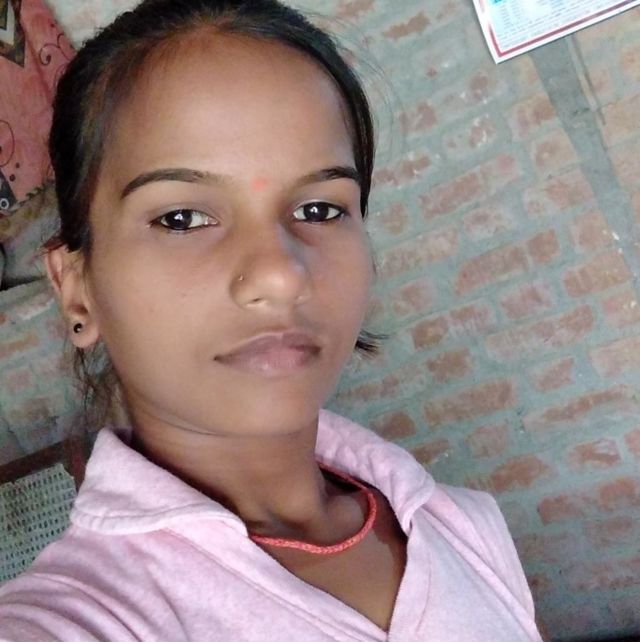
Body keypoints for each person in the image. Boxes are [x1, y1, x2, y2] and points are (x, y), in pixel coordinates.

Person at [0, 1, 543, 640]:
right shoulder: (79, 618)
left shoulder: (464, 526)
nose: (281, 274)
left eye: (319, 209)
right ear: (77, 288)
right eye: (182, 219)